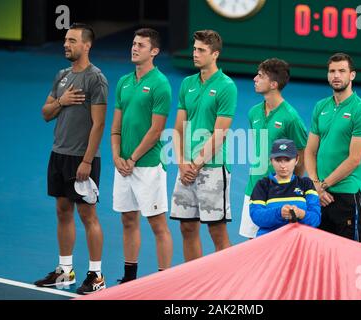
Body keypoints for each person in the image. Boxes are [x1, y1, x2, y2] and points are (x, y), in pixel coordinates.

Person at [35, 23, 108, 294]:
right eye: (65, 40)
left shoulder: (96, 79)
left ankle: (97, 276)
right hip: (59, 154)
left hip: (82, 158)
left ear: (86, 45)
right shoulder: (62, 75)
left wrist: (87, 161)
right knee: (62, 211)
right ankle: (65, 271)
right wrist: (62, 101)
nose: (66, 44)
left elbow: (99, 124)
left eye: (72, 40)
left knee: (88, 215)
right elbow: (45, 113)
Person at [111, 28, 173, 283]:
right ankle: (129, 277)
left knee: (158, 225)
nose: (134, 48)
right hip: (123, 165)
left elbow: (156, 129)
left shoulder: (161, 85)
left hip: (147, 166)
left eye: (141, 45)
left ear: (154, 52)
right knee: (128, 219)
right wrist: (117, 156)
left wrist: (133, 158)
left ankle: (163, 281)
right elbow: (116, 127)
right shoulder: (124, 82)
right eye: (134, 44)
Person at [170, 30, 237, 261]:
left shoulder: (227, 86)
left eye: (201, 50)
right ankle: (194, 286)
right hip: (185, 167)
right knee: (187, 228)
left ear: (215, 54)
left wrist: (195, 165)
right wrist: (181, 163)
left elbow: (219, 134)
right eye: (194, 49)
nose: (195, 54)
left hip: (212, 168)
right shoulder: (187, 83)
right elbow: (178, 129)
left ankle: (226, 288)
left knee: (217, 232)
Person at [305, 53, 361, 243]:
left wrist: (323, 185)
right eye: (332, 71)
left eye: (342, 71)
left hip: (346, 194)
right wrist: (315, 185)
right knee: (319, 254)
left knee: (352, 256)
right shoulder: (320, 107)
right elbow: (310, 151)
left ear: (352, 75)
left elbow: (354, 159)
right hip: (319, 194)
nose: (336, 75)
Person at [239, 58, 308, 239]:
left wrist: (288, 186)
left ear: (273, 84)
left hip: (279, 195)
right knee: (251, 246)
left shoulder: (291, 118)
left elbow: (302, 155)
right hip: (254, 189)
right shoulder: (254, 112)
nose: (255, 78)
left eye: (260, 76)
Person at [250, 139, 320, 237]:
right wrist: (279, 213)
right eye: (278, 160)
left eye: (287, 160)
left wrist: (301, 214)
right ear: (271, 161)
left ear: (296, 160)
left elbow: (316, 219)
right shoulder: (262, 185)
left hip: (299, 241)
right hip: (270, 242)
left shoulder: (306, 184)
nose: (283, 165)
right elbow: (256, 216)